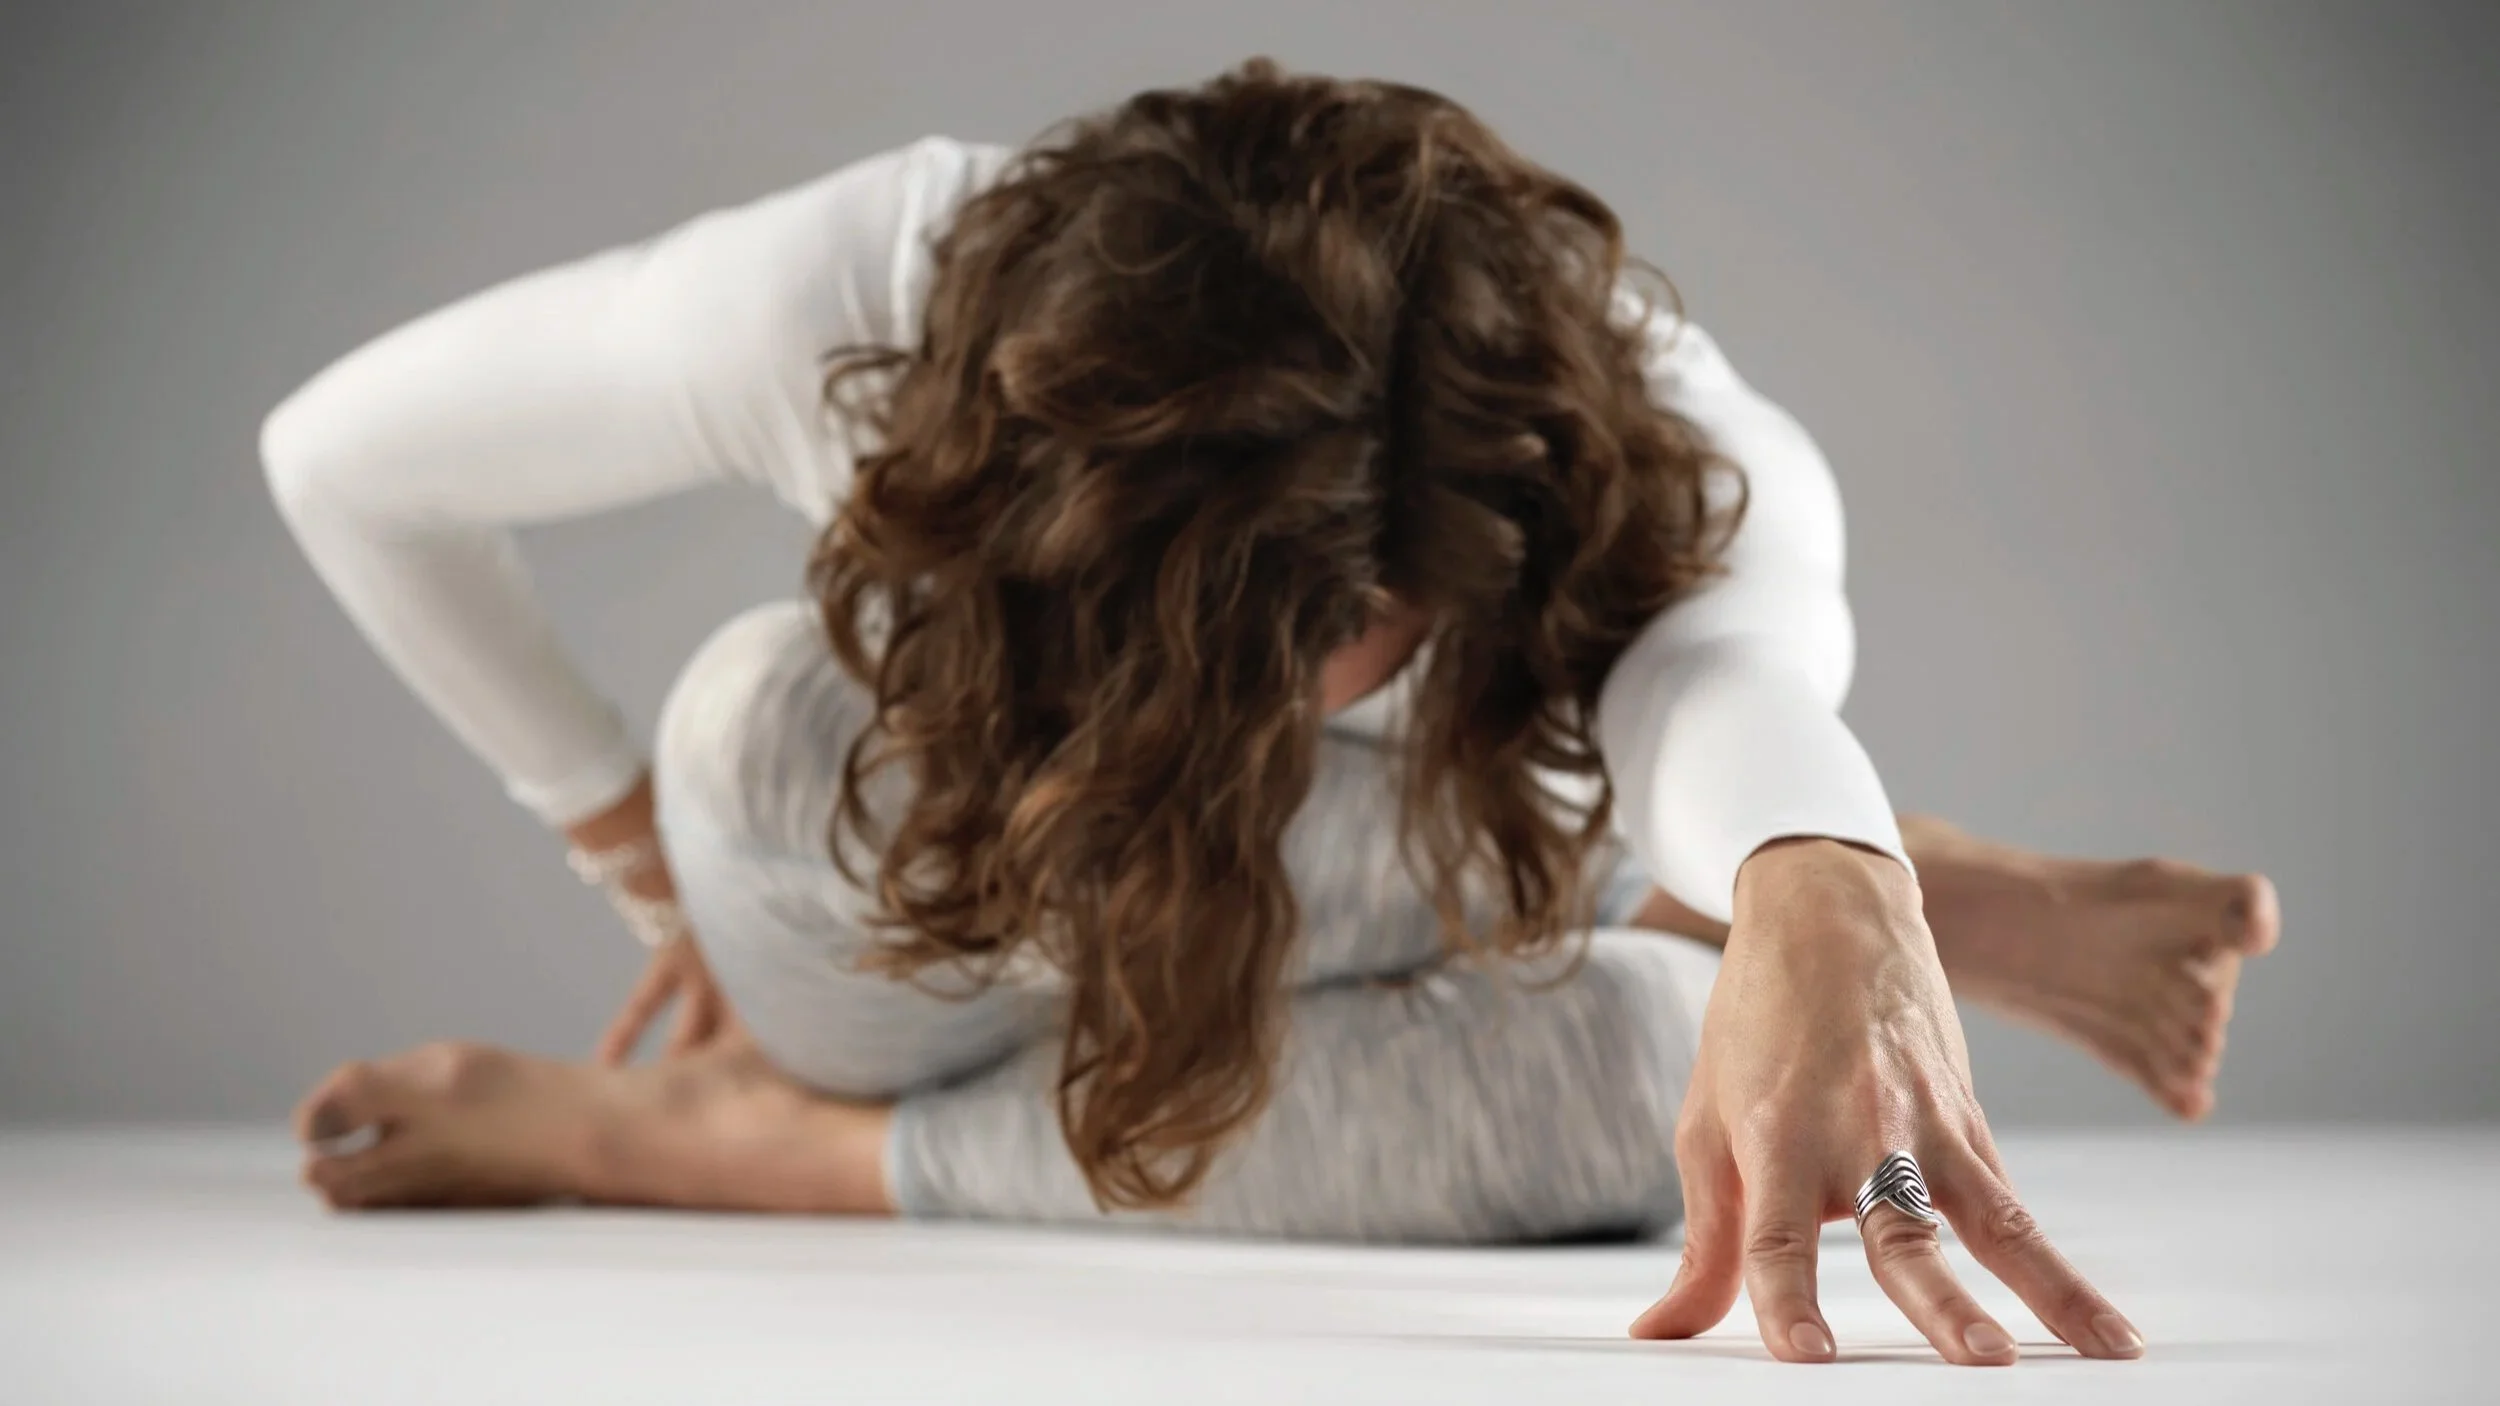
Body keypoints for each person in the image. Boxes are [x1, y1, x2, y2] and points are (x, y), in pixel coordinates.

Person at [260, 59, 2276, 1367]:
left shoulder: (1658, 440)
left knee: (1629, 1083)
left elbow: (1721, 679)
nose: (1268, 723)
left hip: (1340, 922)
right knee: (749, 738)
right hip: (924, 927)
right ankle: (1663, 875)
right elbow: (342, 457)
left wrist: (1819, 868)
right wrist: (621, 842)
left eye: (1351, 653)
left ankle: (1707, 901)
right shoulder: (847, 299)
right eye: (1191, 661)